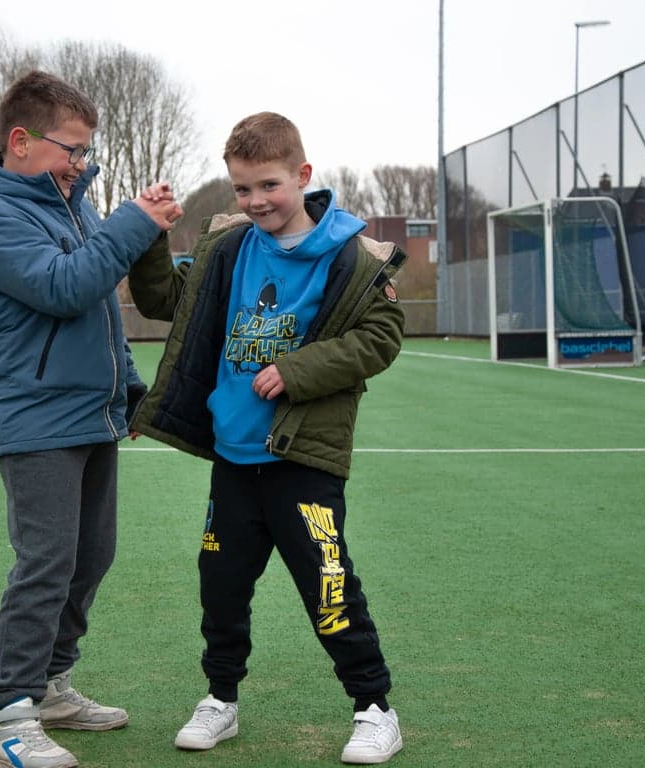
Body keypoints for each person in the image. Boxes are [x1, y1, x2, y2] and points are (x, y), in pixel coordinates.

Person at [128, 111, 407, 765]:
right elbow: (163, 298)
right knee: (220, 582)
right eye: (242, 189)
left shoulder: (355, 256)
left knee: (327, 585)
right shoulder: (227, 248)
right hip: (232, 457)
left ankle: (374, 709)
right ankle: (220, 699)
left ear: (303, 175)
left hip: (302, 459)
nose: (255, 202)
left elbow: (382, 337)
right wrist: (149, 237)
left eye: (268, 186)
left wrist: (297, 370)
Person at [0, 70, 182, 768]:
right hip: (33, 414)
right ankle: (11, 720)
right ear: (19, 141)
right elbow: (64, 288)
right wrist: (131, 224)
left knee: (90, 557)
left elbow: (98, 316)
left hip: (85, 411)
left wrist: (130, 393)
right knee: (46, 563)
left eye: (85, 152)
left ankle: (50, 687)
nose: (80, 163)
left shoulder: (64, 202)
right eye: (70, 149)